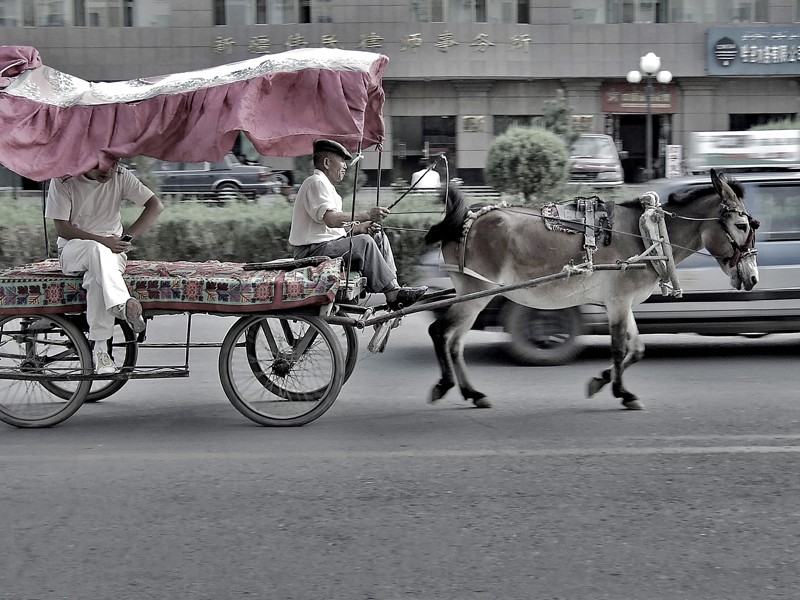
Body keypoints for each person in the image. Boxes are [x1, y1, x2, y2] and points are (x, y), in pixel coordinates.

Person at [45, 160, 165, 374]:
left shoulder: (120, 174)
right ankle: (121, 305)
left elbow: (155, 206)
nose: (108, 171)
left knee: (95, 277)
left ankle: (101, 353)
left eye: (113, 163)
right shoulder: (63, 179)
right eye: (101, 165)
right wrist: (103, 241)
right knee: (95, 249)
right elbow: (62, 228)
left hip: (112, 254)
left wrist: (125, 239)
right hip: (73, 251)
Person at [289, 139, 427, 311]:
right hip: (311, 252)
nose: (346, 166)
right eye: (342, 161)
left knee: (376, 235)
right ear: (326, 162)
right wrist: (367, 215)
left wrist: (362, 227)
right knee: (364, 243)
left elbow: (333, 229)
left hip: (324, 247)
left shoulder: (326, 186)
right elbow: (331, 219)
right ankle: (393, 294)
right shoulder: (315, 183)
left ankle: (394, 288)